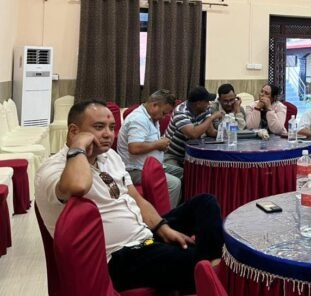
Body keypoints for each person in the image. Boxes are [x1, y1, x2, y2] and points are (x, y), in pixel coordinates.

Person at [35, 100, 223, 293]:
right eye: (99, 127)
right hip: (117, 257)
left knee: (205, 203)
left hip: (144, 236)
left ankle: (211, 267)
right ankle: (212, 273)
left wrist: (162, 227)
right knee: (193, 260)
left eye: (111, 127)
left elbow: (136, 198)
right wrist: (78, 147)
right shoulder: (53, 170)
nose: (108, 134)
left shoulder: (110, 156)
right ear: (74, 131)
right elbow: (78, 186)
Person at [117, 89, 181, 209]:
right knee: (174, 184)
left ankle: (180, 209)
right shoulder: (138, 119)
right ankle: (165, 217)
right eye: (163, 113)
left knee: (182, 173)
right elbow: (134, 148)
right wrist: (158, 144)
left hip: (152, 165)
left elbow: (148, 141)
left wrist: (160, 143)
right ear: (154, 105)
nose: (164, 117)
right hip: (135, 170)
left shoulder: (151, 117)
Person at [164, 87, 223, 177]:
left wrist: (225, 134)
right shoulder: (181, 112)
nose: (209, 104)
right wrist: (212, 117)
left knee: (208, 173)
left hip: (191, 155)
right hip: (173, 155)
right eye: (207, 101)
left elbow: (210, 132)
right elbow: (193, 134)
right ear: (198, 103)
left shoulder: (205, 109)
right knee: (183, 177)